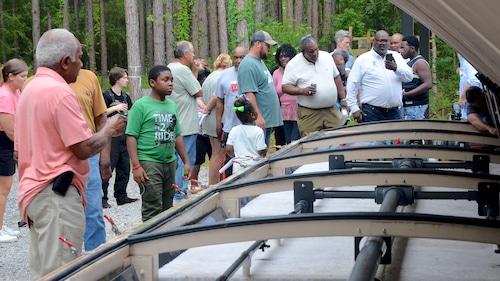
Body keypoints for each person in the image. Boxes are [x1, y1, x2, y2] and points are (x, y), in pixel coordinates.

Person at [14, 28, 125, 280]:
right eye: (79, 57)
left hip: (35, 193)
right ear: (65, 62)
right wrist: (109, 129)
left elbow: (18, 151)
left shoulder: (29, 89)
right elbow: (83, 147)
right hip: (57, 198)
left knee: (44, 271)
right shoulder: (60, 92)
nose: (81, 64)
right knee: (63, 272)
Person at [126, 65, 191, 222]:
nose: (170, 84)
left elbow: (177, 135)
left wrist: (186, 161)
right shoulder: (141, 106)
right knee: (152, 205)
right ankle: (148, 242)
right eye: (165, 80)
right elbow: (131, 136)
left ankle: (164, 242)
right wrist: (136, 166)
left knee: (167, 206)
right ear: (153, 83)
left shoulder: (171, 105)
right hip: (149, 162)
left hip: (169, 162)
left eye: (172, 80)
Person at [69, 69, 111, 252]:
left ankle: (97, 258)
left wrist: (105, 157)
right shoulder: (34, 82)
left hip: (89, 152)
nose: (80, 60)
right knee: (60, 212)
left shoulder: (89, 77)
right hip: (54, 156)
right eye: (77, 56)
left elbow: (101, 119)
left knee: (93, 209)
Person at [282, 34, 347, 137]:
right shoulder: (294, 64)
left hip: (331, 110)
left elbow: (336, 78)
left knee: (335, 140)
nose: (315, 53)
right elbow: (285, 87)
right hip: (309, 113)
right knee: (311, 143)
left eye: (316, 49)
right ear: (303, 51)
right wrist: (302, 91)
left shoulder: (326, 57)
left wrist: (343, 99)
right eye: (311, 51)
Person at [346, 30, 413, 123]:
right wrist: (354, 107)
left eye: (386, 41)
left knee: (395, 138)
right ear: (374, 41)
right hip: (372, 112)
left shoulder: (396, 57)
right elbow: (352, 84)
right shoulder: (363, 59)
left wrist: (396, 68)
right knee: (374, 138)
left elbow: (409, 77)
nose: (383, 44)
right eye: (380, 40)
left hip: (395, 112)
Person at [167, 41, 203, 196]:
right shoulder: (183, 70)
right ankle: (180, 192)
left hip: (173, 122)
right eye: (192, 52)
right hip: (186, 124)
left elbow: (188, 88)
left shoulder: (169, 68)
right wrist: (194, 72)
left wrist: (193, 71)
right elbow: (198, 92)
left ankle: (173, 189)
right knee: (186, 160)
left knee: (174, 160)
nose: (194, 55)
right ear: (185, 54)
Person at [238, 30, 283, 147]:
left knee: (263, 153)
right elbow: (248, 93)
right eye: (267, 45)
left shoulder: (259, 62)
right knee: (257, 156)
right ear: (258, 44)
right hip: (258, 122)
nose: (269, 48)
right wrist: (257, 117)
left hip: (265, 121)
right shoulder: (248, 64)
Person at [0, 58, 28, 243]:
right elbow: (10, 129)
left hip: (9, 142)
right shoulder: (4, 96)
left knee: (5, 188)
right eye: (22, 76)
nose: (25, 80)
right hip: (3, 142)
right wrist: (24, 146)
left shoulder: (15, 91)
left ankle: (1, 225)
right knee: (3, 188)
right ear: (10, 76)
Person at [101, 67, 138, 208]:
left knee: (124, 166)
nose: (126, 80)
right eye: (124, 78)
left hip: (124, 134)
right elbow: (101, 112)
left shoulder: (126, 96)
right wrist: (115, 108)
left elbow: (130, 112)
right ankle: (103, 197)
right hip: (111, 136)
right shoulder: (106, 95)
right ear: (117, 79)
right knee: (108, 165)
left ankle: (121, 195)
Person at [215, 46, 248, 179]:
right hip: (230, 127)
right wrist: (218, 123)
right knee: (229, 162)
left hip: (250, 127)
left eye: (242, 57)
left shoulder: (252, 73)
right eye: (236, 57)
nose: (238, 60)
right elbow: (219, 100)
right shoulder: (224, 75)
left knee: (247, 161)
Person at [199, 53, 232, 184]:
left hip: (209, 120)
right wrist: (207, 108)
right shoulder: (222, 77)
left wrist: (205, 108)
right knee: (219, 154)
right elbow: (215, 97)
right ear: (227, 64)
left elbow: (200, 96)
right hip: (218, 118)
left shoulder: (209, 77)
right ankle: (214, 184)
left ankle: (214, 183)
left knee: (215, 153)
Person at [226, 95, 267, 173]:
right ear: (252, 115)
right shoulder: (258, 130)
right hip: (253, 166)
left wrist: (236, 157)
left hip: (238, 167)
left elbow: (228, 149)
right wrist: (265, 149)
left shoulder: (234, 130)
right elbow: (261, 150)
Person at [400, 35, 433, 120]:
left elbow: (428, 84)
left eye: (403, 48)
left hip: (415, 105)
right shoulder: (409, 62)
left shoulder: (419, 63)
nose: (401, 51)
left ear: (412, 49)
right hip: (407, 105)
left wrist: (408, 94)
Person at [272, 44, 300, 144]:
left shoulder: (298, 71)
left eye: (286, 56)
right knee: (288, 140)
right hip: (284, 112)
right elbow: (274, 94)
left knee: (295, 140)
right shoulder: (275, 73)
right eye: (280, 57)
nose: (283, 59)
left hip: (298, 110)